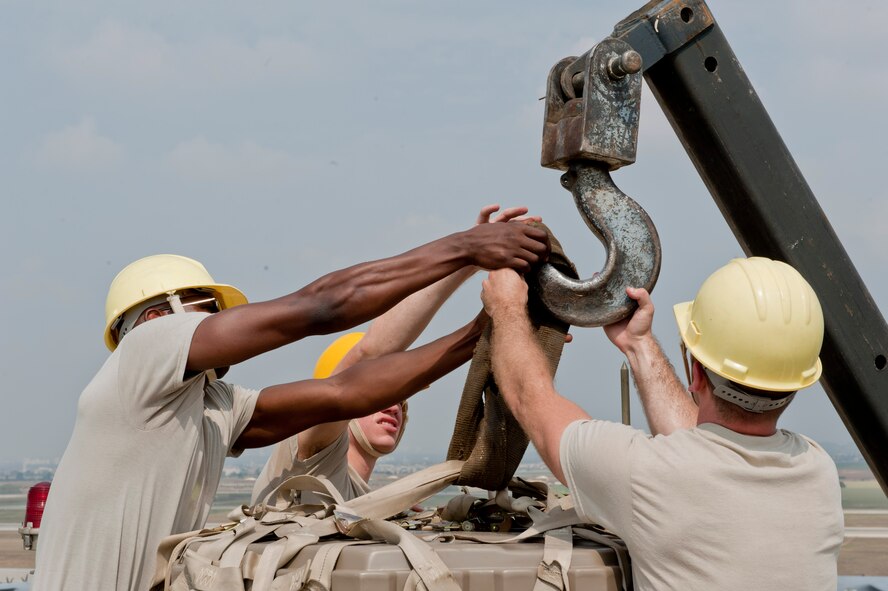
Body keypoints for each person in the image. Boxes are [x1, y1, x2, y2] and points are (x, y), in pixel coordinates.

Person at [32, 208, 548, 591]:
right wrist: (464, 248)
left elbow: (343, 393)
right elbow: (318, 308)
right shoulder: (143, 353)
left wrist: (483, 332)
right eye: (202, 311)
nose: (214, 322)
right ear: (153, 318)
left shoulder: (212, 406)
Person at [480, 256, 844, 591]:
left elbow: (531, 399)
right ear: (797, 383)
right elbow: (701, 450)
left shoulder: (646, 474)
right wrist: (638, 344)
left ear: (695, 370)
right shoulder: (818, 472)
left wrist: (507, 308)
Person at [251, 205, 526, 505]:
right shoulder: (310, 459)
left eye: (398, 398)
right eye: (377, 394)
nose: (392, 406)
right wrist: (471, 257)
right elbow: (371, 355)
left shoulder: (374, 503)